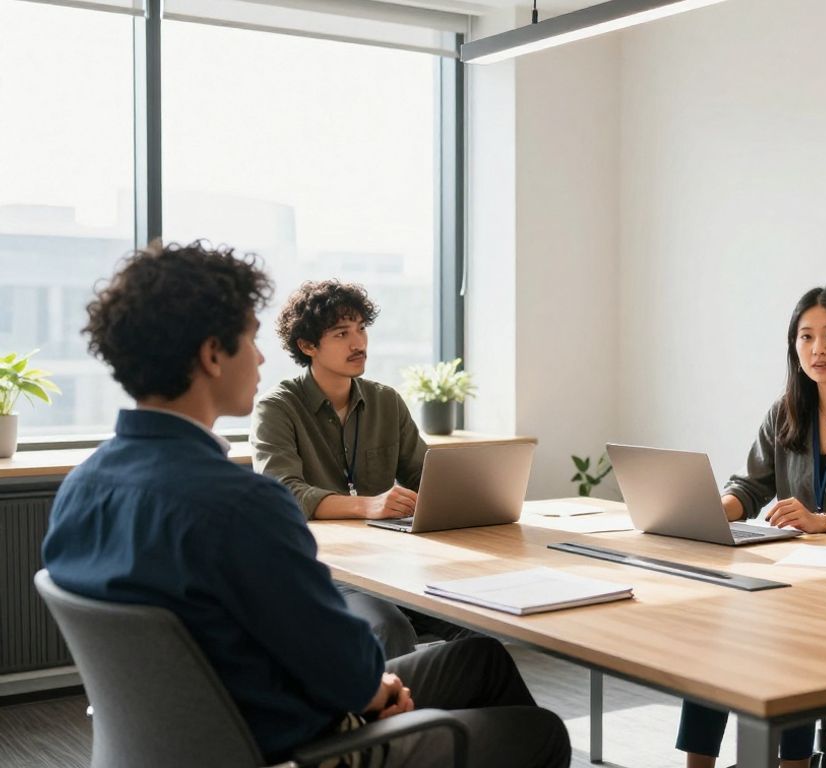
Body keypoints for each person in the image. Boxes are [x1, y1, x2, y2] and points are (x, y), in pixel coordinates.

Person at [44, 241, 570, 768]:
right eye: (250, 338)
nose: (261, 356)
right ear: (211, 355)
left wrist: (369, 683)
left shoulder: (80, 491)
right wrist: (373, 692)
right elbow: (347, 670)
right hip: (303, 744)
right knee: (539, 732)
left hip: (192, 734)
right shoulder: (243, 505)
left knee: (478, 659)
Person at [677, 285, 826, 768]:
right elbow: (748, 487)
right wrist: (703, 509)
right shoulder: (786, 410)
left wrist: (823, 522)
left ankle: (793, 764)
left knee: (788, 630)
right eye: (806, 337)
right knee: (715, 625)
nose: (818, 349)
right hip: (796, 569)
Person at [251, 280, 448, 658]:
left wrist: (463, 497)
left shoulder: (386, 401)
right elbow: (284, 493)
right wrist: (367, 505)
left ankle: (462, 715)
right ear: (307, 346)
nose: (358, 343)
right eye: (342, 333)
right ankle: (398, 717)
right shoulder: (277, 408)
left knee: (475, 619)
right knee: (386, 627)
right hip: (321, 569)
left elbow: (427, 477)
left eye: (361, 329)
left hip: (390, 562)